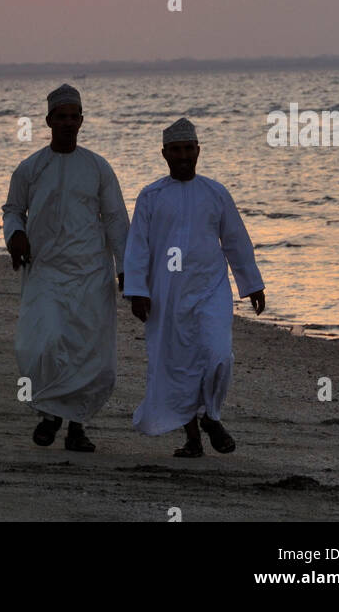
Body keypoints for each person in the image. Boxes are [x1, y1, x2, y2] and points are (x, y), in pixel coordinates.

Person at [123, 116, 265, 457]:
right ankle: (192, 438)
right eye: (176, 150)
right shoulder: (151, 196)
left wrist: (252, 285)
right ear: (164, 154)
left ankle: (211, 416)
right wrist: (137, 291)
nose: (183, 155)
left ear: (198, 150)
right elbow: (138, 247)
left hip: (211, 290)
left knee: (218, 355)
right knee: (176, 364)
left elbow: (236, 242)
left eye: (188, 148)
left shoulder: (216, 193)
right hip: (166, 295)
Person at [2, 84, 129, 452]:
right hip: (46, 271)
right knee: (42, 342)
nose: (68, 123)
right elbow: (12, 209)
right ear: (48, 121)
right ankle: (49, 413)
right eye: (61, 117)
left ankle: (76, 426)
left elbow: (116, 219)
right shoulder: (31, 168)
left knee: (89, 353)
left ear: (82, 121)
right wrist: (16, 235)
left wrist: (127, 269)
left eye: (74, 117)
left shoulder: (97, 167)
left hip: (91, 272)